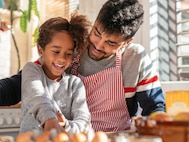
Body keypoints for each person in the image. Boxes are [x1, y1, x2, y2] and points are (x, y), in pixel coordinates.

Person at [0, 0, 165, 132]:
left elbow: (155, 108)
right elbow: (21, 84)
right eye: (97, 33)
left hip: (117, 137)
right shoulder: (71, 49)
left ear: (127, 42)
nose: (98, 45)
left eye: (110, 42)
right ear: (94, 23)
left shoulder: (136, 58)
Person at [19, 15, 92, 134]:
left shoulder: (74, 84)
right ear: (40, 50)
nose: (62, 59)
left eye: (68, 54)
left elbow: (84, 122)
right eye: (56, 51)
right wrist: (50, 120)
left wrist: (67, 126)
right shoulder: (32, 70)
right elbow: (38, 96)